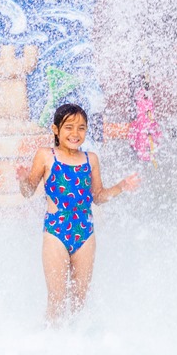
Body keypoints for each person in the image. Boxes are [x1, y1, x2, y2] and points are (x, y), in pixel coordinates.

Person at [18, 103, 141, 322]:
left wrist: (122, 186)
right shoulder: (46, 156)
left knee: (79, 301)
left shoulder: (90, 159)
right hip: (56, 231)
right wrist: (22, 179)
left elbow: (99, 197)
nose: (75, 133)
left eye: (81, 128)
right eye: (69, 127)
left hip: (85, 234)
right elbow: (28, 192)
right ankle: (50, 343)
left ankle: (76, 347)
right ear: (56, 130)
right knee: (56, 298)